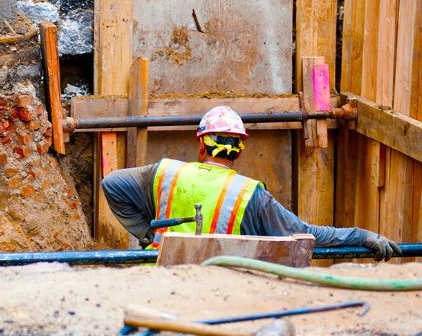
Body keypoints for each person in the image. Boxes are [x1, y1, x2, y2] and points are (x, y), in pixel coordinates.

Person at [101, 105, 402, 261]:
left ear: (201, 145)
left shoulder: (165, 173)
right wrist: (360, 235)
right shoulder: (249, 195)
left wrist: (146, 233)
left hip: (156, 281)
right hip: (219, 290)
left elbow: (112, 184)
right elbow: (306, 235)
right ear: (239, 152)